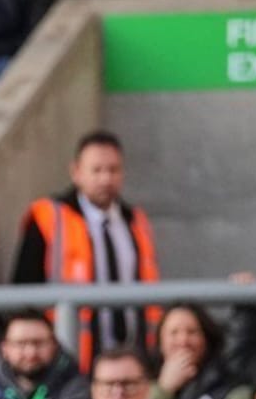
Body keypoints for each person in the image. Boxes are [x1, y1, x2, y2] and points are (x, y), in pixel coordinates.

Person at [13, 131, 160, 361]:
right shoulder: (48, 217)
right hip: (68, 353)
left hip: (133, 352)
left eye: (113, 170)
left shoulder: (136, 221)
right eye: (97, 170)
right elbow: (23, 290)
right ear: (76, 172)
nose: (105, 179)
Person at [149, 303, 252, 399]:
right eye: (173, 333)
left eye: (192, 332)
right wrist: (164, 389)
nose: (183, 341)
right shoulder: (141, 384)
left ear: (206, 340)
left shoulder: (227, 382)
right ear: (160, 343)